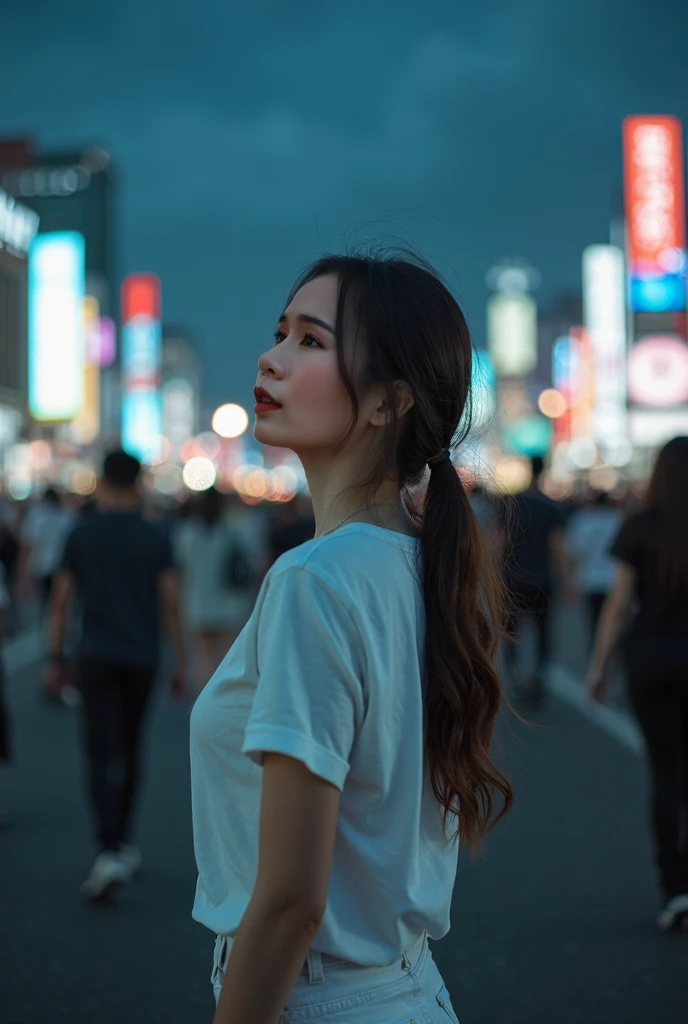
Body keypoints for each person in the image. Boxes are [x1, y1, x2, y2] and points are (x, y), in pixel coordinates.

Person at [190, 249, 517, 1023]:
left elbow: (290, 902)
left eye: (309, 341)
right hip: (409, 991)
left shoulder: (316, 581)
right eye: (280, 333)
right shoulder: (421, 566)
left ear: (384, 403)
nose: (269, 358)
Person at [47, 450, 188, 903]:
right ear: (140, 482)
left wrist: (55, 655)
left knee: (97, 749)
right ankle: (124, 840)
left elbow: (63, 600)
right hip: (142, 655)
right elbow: (170, 600)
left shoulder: (82, 534)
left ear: (102, 483)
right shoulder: (156, 535)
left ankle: (107, 846)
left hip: (94, 654)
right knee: (131, 745)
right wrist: (180, 658)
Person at [587, 436, 688, 933]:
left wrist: (598, 666)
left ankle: (674, 890)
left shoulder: (640, 526)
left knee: (665, 774)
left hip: (648, 657)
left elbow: (618, 603)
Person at [497, 456, 573, 707]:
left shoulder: (512, 503)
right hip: (543, 580)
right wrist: (568, 583)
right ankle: (539, 676)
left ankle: (518, 675)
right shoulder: (551, 507)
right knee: (544, 632)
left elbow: (501, 542)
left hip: (514, 579)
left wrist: (490, 573)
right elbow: (558, 548)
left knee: (511, 631)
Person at [174, 487, 260, 695]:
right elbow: (254, 561)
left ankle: (202, 698)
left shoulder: (188, 530)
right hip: (230, 601)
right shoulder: (236, 529)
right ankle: (220, 700)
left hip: (197, 601)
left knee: (202, 655)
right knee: (226, 656)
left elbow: (181, 568)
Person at [565, 491, 621, 647]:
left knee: (593, 624)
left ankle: (596, 656)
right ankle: (610, 654)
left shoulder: (583, 520)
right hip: (614, 581)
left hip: (590, 580)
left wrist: (570, 584)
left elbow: (573, 555)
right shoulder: (618, 519)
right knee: (615, 623)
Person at [18, 487, 75, 611]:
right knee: (58, 606)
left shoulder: (37, 516)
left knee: (42, 607)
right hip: (60, 568)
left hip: (41, 568)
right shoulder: (66, 516)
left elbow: (27, 546)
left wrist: (23, 575)